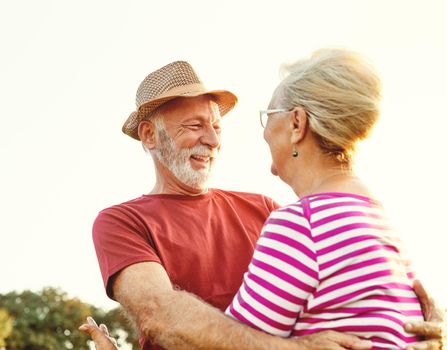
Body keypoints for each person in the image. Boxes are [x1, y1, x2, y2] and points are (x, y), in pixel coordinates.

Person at [81, 60, 444, 350]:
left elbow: (351, 289)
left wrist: (414, 325)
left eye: (217, 127)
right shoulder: (121, 221)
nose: (211, 140)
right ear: (149, 135)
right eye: (194, 125)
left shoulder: (272, 212)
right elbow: (159, 316)